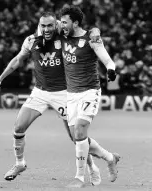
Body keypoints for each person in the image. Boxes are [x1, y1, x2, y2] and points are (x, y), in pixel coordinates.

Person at [0, 12, 102, 185]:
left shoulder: (65, 37)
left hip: (64, 93)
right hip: (40, 92)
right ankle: (20, 163)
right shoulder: (31, 41)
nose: (46, 29)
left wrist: (95, 31)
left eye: (50, 25)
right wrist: (0, 78)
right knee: (19, 127)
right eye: (43, 26)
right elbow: (17, 60)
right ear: (39, 26)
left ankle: (92, 167)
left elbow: (85, 31)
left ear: (57, 25)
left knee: (76, 137)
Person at [59, 6, 120, 188]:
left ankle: (79, 178)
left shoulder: (91, 39)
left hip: (89, 91)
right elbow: (43, 25)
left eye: (65, 22)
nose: (61, 25)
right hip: (71, 93)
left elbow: (107, 59)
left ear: (75, 23)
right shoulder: (61, 34)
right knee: (77, 137)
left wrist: (111, 69)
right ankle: (110, 158)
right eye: (60, 22)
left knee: (79, 131)